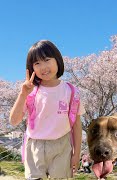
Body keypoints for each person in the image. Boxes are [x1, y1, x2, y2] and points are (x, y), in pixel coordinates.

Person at [9, 40, 85, 179]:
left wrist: (76, 154)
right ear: (31, 68)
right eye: (37, 63)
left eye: (47, 60)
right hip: (35, 146)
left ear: (57, 60)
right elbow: (14, 121)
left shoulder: (71, 91)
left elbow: (77, 125)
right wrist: (23, 94)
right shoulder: (30, 91)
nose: (43, 67)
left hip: (62, 145)